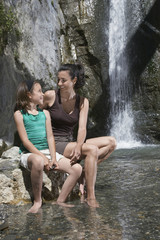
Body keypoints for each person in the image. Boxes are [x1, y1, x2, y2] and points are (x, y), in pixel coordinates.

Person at [42, 63, 116, 208]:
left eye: (63, 80)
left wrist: (78, 146)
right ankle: (91, 196)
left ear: (74, 81)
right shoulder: (50, 96)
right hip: (54, 142)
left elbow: (82, 128)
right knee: (92, 150)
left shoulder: (83, 102)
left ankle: (84, 173)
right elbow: (34, 113)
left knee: (111, 142)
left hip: (70, 142)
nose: (59, 83)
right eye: (58, 80)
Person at [14, 79, 82, 213]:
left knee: (78, 169)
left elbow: (50, 137)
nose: (43, 94)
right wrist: (43, 158)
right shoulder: (19, 115)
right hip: (30, 153)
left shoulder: (45, 113)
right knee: (38, 161)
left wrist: (54, 159)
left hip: (47, 151)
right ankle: (38, 201)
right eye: (39, 91)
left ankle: (60, 201)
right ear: (29, 95)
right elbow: (26, 142)